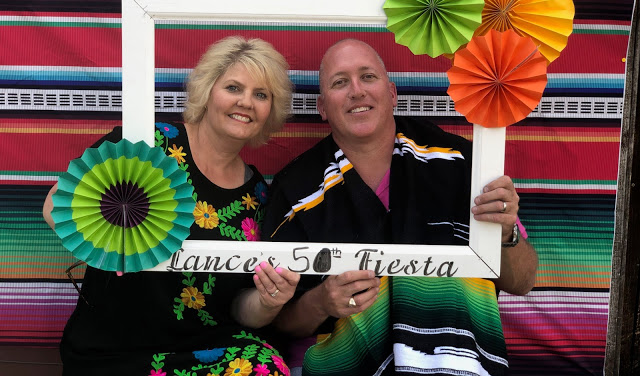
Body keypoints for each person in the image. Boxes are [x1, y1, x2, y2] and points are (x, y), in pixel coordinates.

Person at [263, 39, 539, 376]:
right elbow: (279, 321)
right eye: (340, 82)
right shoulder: (295, 191)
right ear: (322, 107)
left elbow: (522, 281)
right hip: (344, 362)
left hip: (453, 362)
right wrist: (321, 301)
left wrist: (505, 231)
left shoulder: (460, 162)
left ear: (392, 93)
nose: (356, 91)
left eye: (368, 77)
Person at [43, 36, 300, 376]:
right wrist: (117, 245)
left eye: (261, 95)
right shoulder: (148, 145)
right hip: (114, 348)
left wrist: (269, 301)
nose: (246, 102)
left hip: (205, 350)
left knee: (263, 365)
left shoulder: (259, 196)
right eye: (234, 87)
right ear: (208, 91)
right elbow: (55, 206)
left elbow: (240, 307)